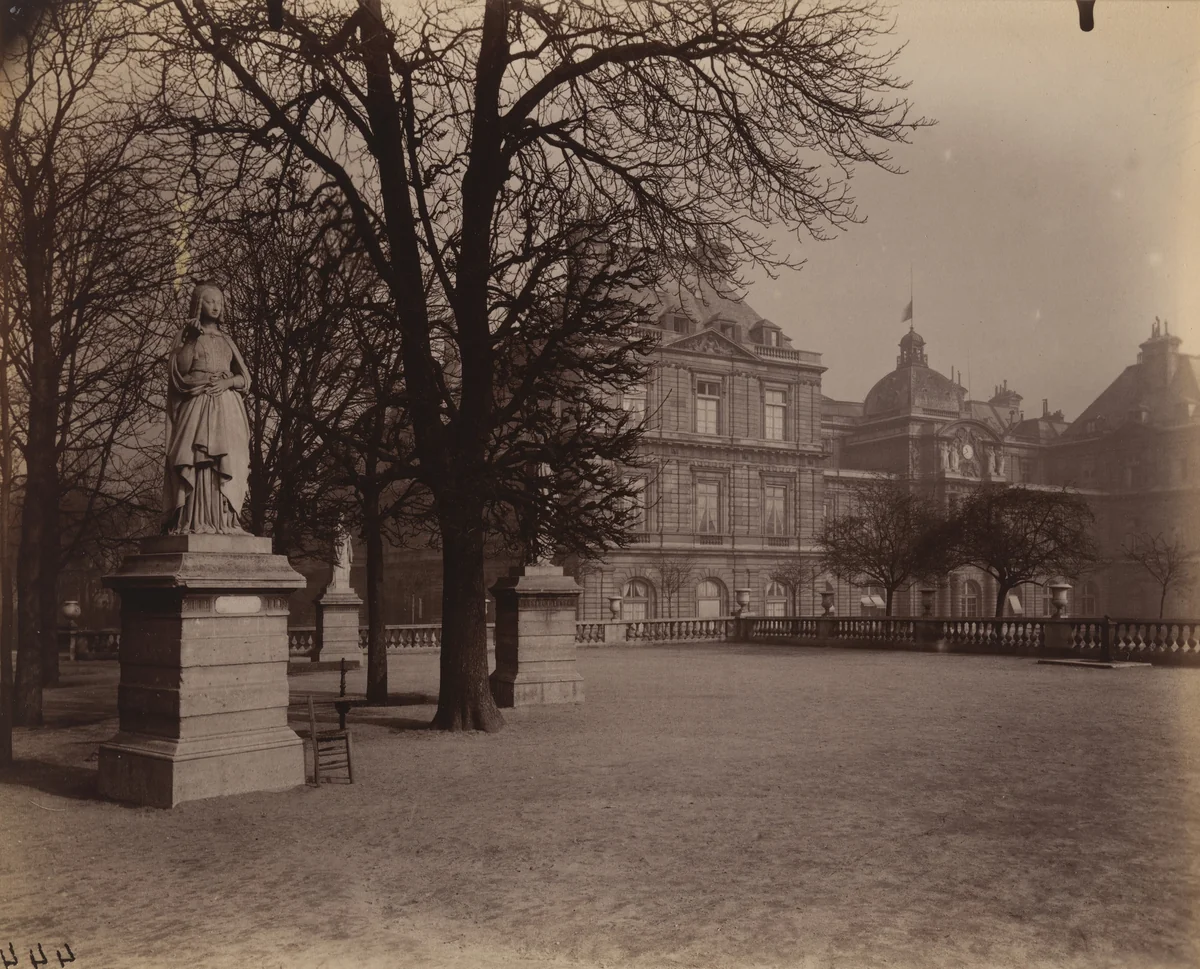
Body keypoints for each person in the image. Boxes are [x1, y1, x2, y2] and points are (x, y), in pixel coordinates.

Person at [162, 282, 252, 535]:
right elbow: (179, 372)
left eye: (219, 302)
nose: (215, 306)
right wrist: (190, 341)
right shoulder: (186, 335)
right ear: (198, 304)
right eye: (210, 301)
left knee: (228, 462)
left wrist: (227, 382)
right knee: (195, 460)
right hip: (197, 403)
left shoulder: (227, 339)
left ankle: (226, 521)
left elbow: (245, 378)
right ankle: (193, 520)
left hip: (226, 408)